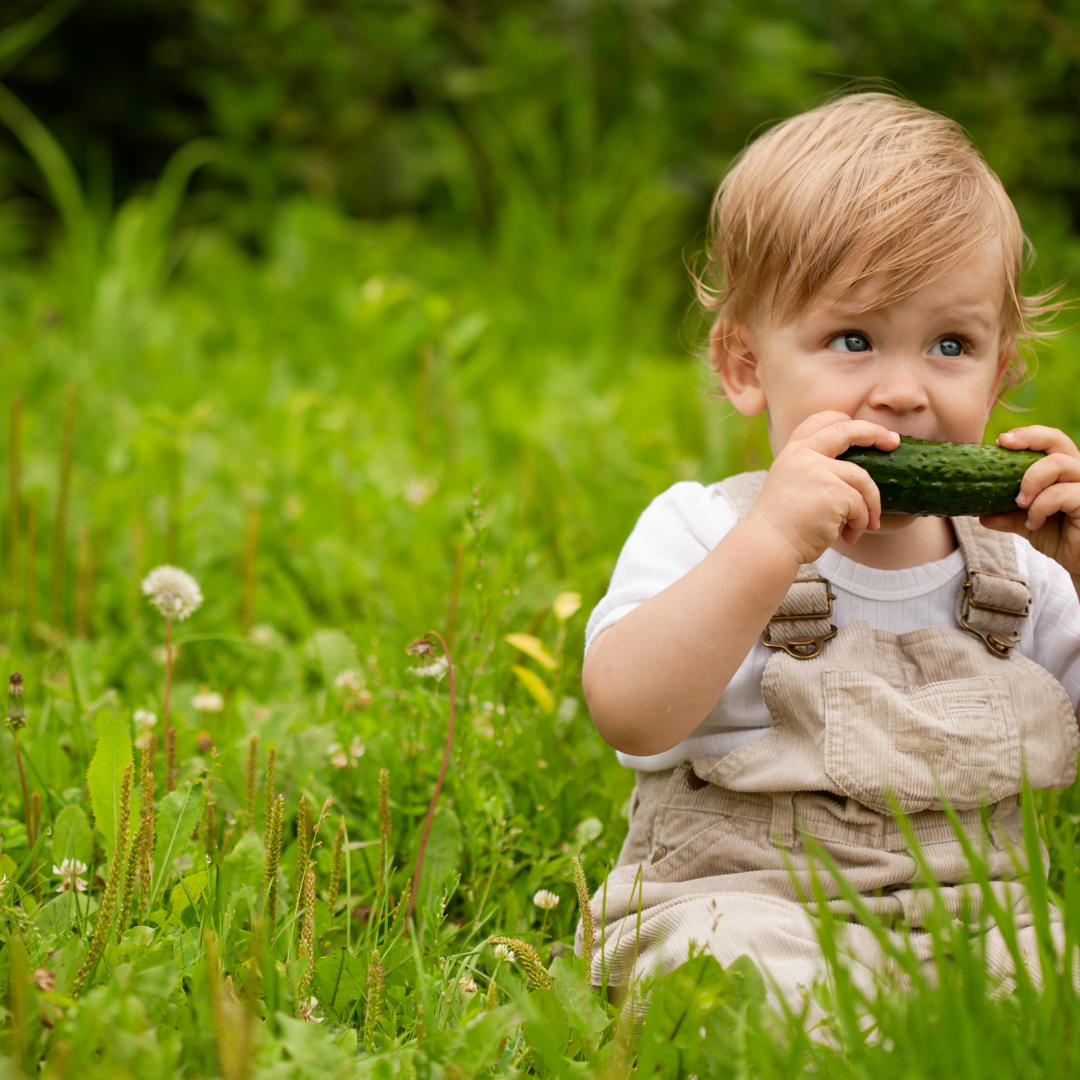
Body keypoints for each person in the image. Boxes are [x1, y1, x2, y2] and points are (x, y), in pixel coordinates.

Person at [579, 92, 1080, 1015]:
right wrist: (770, 544)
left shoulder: (1028, 579)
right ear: (744, 367)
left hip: (978, 918)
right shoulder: (707, 531)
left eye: (950, 345)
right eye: (852, 340)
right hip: (743, 897)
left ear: (1002, 369)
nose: (901, 391)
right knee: (739, 978)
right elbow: (630, 714)